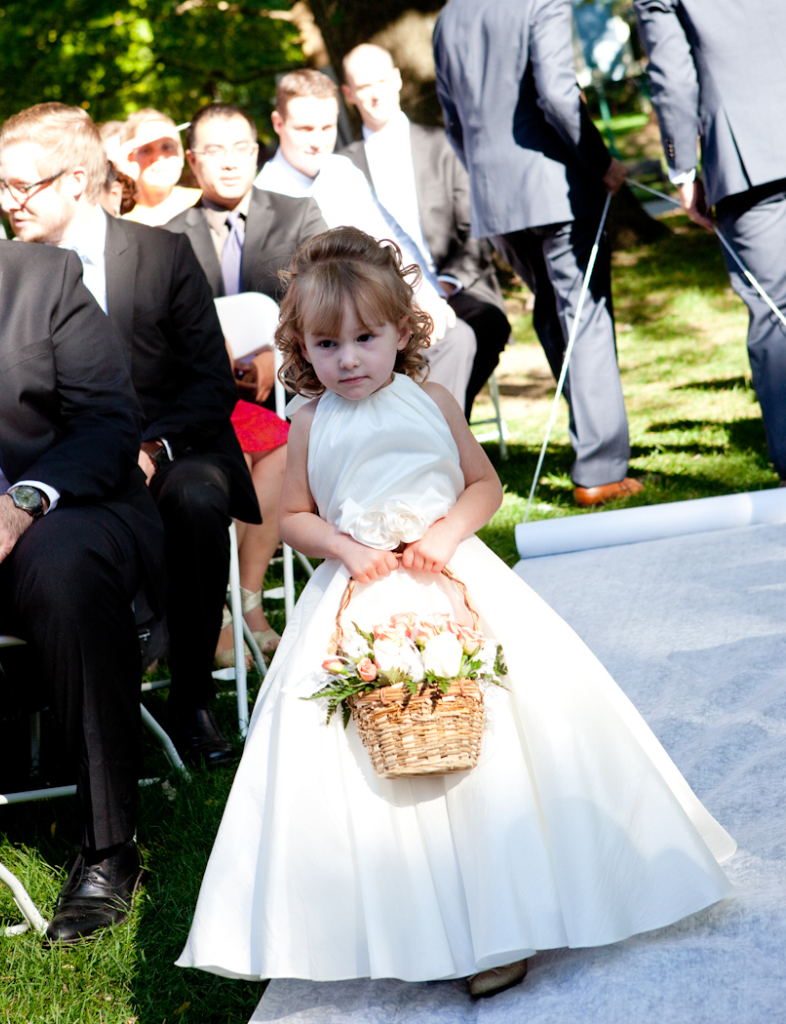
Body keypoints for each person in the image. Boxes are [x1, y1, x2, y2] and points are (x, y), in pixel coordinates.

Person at [176, 227, 734, 996]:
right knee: (378, 757)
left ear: (402, 332)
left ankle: (508, 919)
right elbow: (294, 514)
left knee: (497, 748)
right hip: (361, 594)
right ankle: (410, 922)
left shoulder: (433, 401)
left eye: (365, 339)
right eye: (327, 345)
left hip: (452, 581)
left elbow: (483, 486)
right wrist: (342, 548)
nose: (348, 360)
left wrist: (442, 536)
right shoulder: (307, 421)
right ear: (302, 347)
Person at [0, 96, 166, 944]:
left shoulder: (42, 278)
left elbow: (107, 424)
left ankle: (107, 846)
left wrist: (21, 503)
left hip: (49, 515)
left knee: (63, 562)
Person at [0, 103, 260, 770]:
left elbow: (210, 383)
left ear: (76, 181)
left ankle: (191, 700)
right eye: (1, 185)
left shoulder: (160, 254)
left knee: (196, 498)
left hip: (172, 448)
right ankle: (55, 713)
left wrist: (152, 449)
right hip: (63, 464)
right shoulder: (2, 274)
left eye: (22, 186)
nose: (7, 202)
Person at [434, 0, 642, 506]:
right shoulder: (539, 2)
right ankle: (600, 469)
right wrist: (601, 162)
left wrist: (485, 177)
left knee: (554, 315)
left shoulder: (449, 17)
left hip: (495, 198)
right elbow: (557, 94)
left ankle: (593, 445)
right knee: (584, 319)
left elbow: (452, 121)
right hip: (554, 187)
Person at [164, 102, 327, 662]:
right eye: (214, 151)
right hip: (202, 402)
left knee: (281, 447)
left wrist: (275, 356)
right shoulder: (167, 238)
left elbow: (325, 303)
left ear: (257, 153)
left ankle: (247, 598)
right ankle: (216, 605)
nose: (230, 162)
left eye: (241, 148)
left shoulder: (299, 215)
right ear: (193, 161)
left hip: (290, 389)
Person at [255, 69, 479, 411]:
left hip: (373, 317)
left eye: (327, 127)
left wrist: (425, 295)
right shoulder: (264, 192)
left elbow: (386, 240)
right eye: (305, 129)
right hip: (320, 337)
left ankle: (430, 433)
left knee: (455, 337)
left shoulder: (342, 171)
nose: (318, 141)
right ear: (278, 123)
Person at [633, 0, 786, 485]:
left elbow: (672, 76)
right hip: (753, 157)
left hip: (749, 157)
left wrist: (683, 168)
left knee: (775, 310)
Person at [340, 43, 512, 419]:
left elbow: (475, 228)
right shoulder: (342, 166)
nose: (376, 93)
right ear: (348, 94)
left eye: (382, 81)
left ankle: (430, 422)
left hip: (454, 287)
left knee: (486, 323)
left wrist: (444, 287)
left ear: (398, 79)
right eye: (364, 86)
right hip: (384, 300)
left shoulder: (442, 144)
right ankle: (437, 428)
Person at [119, 109, 201, 226]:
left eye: (167, 147)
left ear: (181, 154)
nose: (159, 157)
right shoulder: (119, 216)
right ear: (129, 158)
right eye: (145, 150)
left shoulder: (204, 204)